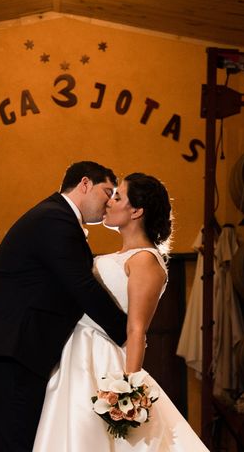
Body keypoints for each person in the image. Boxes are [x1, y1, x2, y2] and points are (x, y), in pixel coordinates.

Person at [0, 161, 129, 452]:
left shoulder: (55, 217)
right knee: (14, 443)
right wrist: (127, 334)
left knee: (20, 441)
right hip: (10, 349)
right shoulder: (55, 218)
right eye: (107, 192)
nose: (108, 202)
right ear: (84, 184)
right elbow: (81, 286)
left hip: (17, 350)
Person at [32, 172, 209, 451]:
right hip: (73, 356)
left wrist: (129, 387)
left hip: (102, 362)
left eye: (117, 196)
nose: (109, 202)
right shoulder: (113, 256)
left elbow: (137, 328)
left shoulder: (145, 260)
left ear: (136, 210)